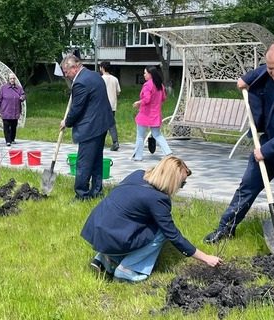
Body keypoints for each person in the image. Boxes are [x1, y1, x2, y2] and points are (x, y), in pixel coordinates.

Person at [203, 43, 274, 252]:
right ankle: (226, 228)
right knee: (248, 187)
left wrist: (264, 151)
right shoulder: (272, 68)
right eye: (270, 68)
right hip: (270, 140)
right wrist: (246, 79)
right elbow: (261, 72)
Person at [81, 156, 222, 283]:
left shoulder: (137, 174)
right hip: (113, 237)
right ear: (172, 181)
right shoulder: (158, 199)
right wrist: (206, 258)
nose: (181, 187)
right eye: (182, 183)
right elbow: (174, 236)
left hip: (95, 229)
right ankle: (128, 270)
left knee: (139, 221)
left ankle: (105, 259)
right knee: (161, 232)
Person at [59, 54, 115, 200]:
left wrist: (67, 122)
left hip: (90, 127)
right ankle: (96, 190)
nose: (66, 75)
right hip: (102, 124)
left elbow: (77, 108)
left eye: (67, 71)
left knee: (83, 163)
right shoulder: (95, 75)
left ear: (75, 67)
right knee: (96, 160)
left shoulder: (80, 83)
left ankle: (82, 194)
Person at [132, 66, 172, 161]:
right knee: (157, 135)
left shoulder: (147, 85)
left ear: (150, 74)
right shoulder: (160, 85)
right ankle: (168, 152)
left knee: (140, 136)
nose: (144, 75)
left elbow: (147, 99)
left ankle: (138, 156)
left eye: (145, 73)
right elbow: (163, 98)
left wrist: (138, 102)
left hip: (145, 114)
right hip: (155, 114)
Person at [0, 73, 26, 146]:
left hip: (15, 111)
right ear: (8, 79)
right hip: (6, 111)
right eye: (11, 78)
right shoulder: (3, 88)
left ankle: (12, 139)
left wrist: (22, 97)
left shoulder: (18, 88)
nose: (12, 80)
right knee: (6, 126)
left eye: (13, 78)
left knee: (13, 126)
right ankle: (7, 140)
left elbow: (23, 95)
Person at [99, 62, 121, 151]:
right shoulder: (115, 79)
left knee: (101, 124)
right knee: (111, 124)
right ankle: (115, 142)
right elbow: (118, 92)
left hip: (101, 105)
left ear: (102, 68)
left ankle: (100, 142)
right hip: (112, 105)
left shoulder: (100, 79)